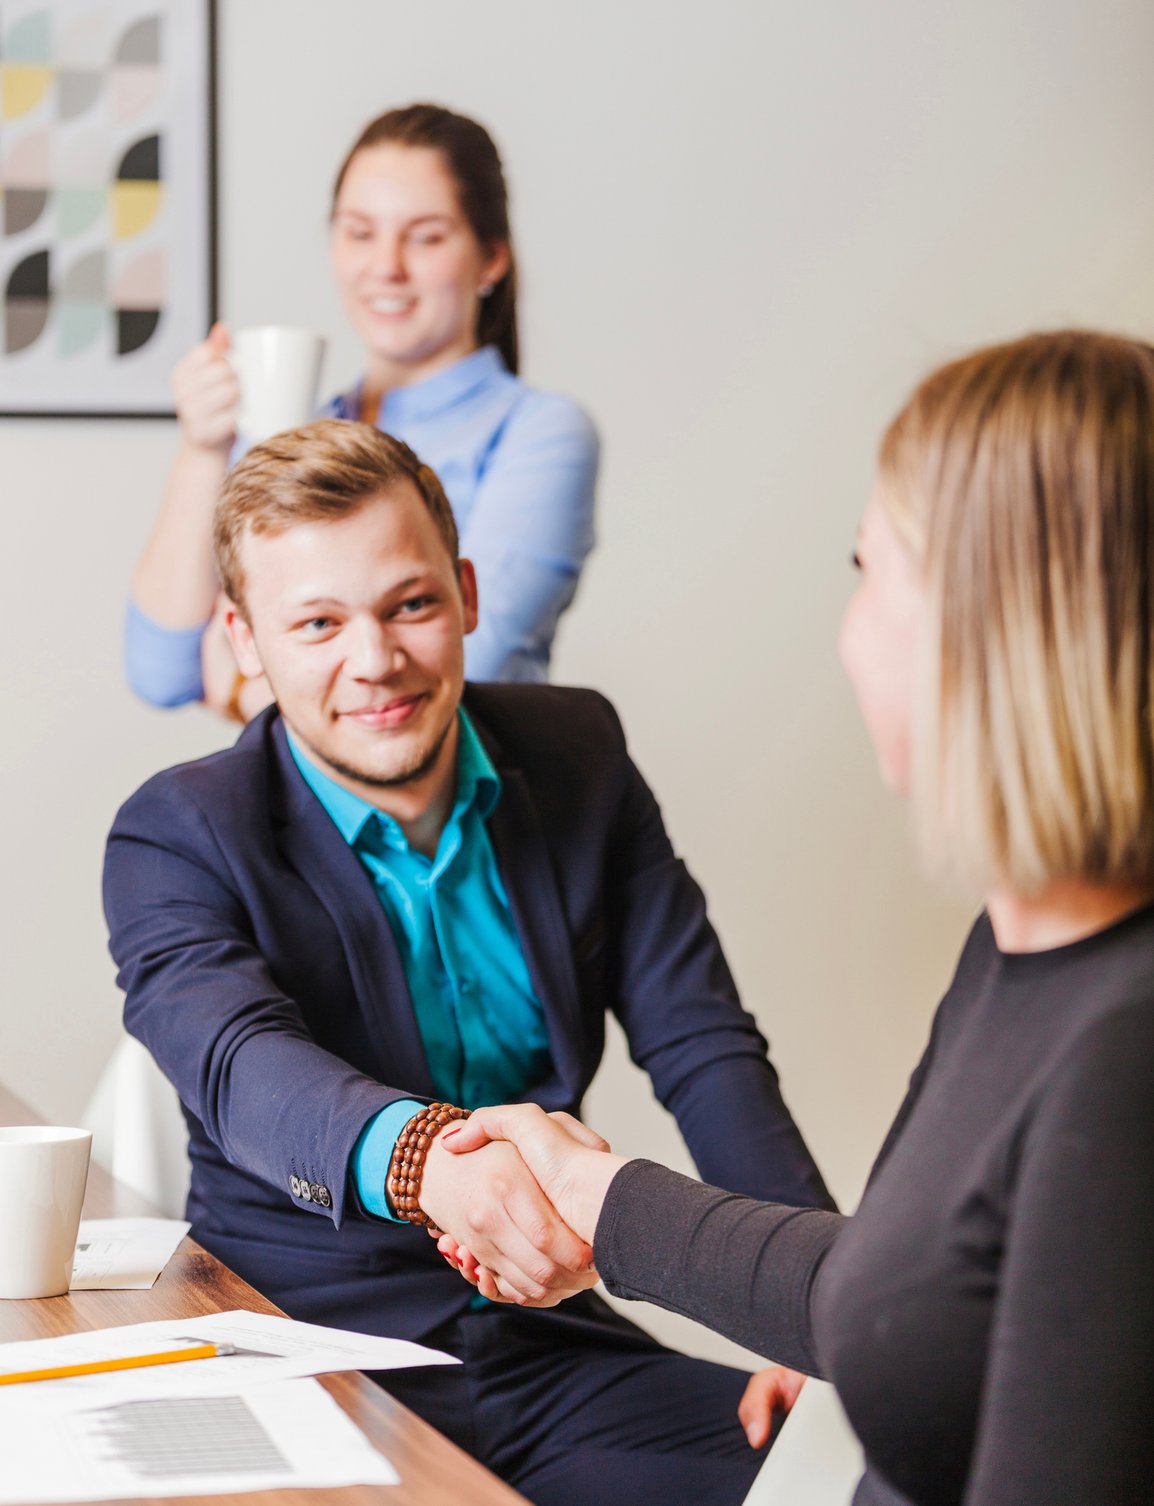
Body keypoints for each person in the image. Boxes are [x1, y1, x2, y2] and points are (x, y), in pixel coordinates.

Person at [434, 330, 1154, 1506]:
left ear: (997, 631)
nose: (848, 630)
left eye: (870, 572)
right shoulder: (1018, 947)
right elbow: (908, 1283)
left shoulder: (1123, 1053)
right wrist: (596, 1198)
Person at [104, 418, 833, 1506]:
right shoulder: (175, 832)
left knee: (858, 1476)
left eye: (409, 604)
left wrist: (810, 1305)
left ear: (467, 593)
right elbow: (241, 1067)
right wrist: (428, 1161)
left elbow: (700, 1041)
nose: (375, 662)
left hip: (546, 1347)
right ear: (244, 639)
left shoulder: (579, 751)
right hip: (306, 1348)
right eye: (315, 623)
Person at [126, 102, 598, 720]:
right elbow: (162, 671)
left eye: (425, 236)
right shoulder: (291, 438)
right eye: (359, 232)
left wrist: (242, 691)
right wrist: (204, 448)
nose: (386, 267)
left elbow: (452, 672)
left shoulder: (539, 434)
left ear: (490, 258)